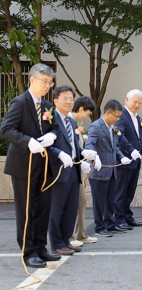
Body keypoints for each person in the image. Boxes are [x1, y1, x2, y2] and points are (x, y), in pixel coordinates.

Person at [0, 63, 60, 268]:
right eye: (44, 81)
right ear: (32, 80)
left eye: (50, 82)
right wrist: (28, 141)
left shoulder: (47, 106)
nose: (48, 86)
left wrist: (52, 135)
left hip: (44, 165)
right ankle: (28, 251)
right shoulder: (20, 102)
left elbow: (56, 128)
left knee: (43, 208)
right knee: (26, 209)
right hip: (23, 165)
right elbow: (6, 129)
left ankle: (41, 246)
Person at [48, 86, 97, 255]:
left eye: (71, 99)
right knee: (57, 209)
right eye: (65, 98)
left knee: (70, 209)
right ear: (55, 101)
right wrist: (59, 153)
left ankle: (66, 239)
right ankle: (56, 243)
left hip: (73, 171)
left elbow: (74, 146)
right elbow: (46, 145)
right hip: (58, 171)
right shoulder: (50, 119)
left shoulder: (72, 121)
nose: (69, 102)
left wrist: (83, 155)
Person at [85, 100, 132, 236]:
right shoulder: (96, 126)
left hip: (112, 170)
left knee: (110, 199)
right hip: (100, 170)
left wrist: (122, 156)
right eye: (116, 116)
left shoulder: (113, 127)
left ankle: (110, 224)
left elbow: (115, 147)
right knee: (99, 201)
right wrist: (93, 157)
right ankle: (99, 227)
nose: (117, 119)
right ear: (107, 112)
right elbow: (90, 144)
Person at [115, 89, 142, 230]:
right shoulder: (121, 116)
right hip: (124, 160)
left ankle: (127, 215)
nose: (137, 105)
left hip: (135, 160)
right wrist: (131, 150)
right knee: (121, 191)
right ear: (126, 99)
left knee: (130, 191)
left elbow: (141, 138)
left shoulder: (137, 117)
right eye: (134, 102)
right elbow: (119, 135)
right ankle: (118, 218)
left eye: (139, 103)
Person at [68, 96, 98, 246]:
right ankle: (70, 237)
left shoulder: (76, 124)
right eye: (87, 113)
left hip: (76, 168)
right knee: (71, 204)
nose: (87, 117)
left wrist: (84, 156)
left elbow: (77, 148)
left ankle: (81, 234)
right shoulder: (68, 122)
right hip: (68, 169)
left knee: (81, 201)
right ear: (80, 109)